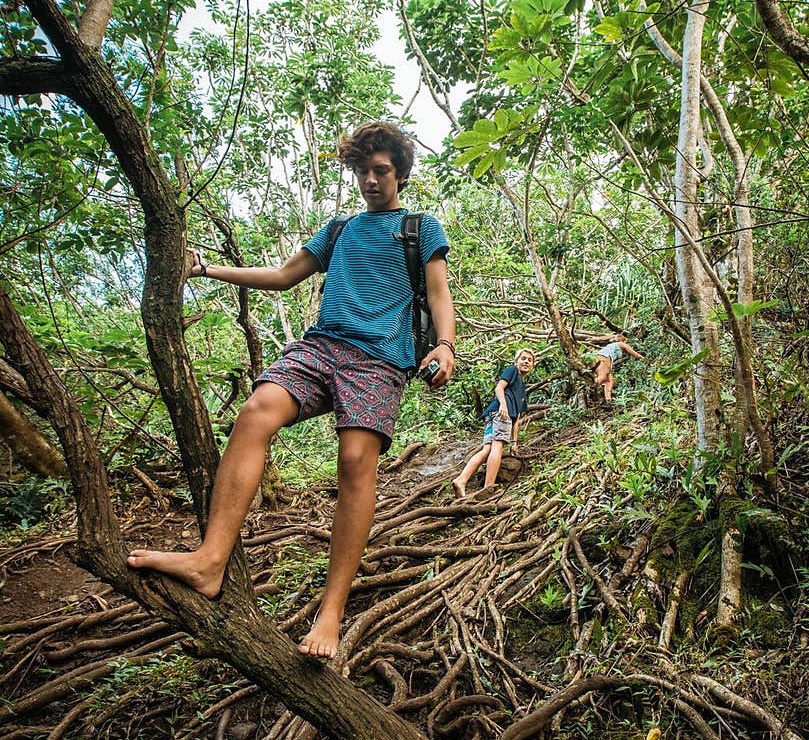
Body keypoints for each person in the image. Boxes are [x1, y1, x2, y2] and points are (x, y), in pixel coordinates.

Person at [127, 121, 455, 661]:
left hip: (379, 362)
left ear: (399, 173)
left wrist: (445, 346)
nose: (371, 181)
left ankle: (331, 612)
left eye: (382, 171)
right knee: (256, 412)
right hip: (322, 347)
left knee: (355, 461)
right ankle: (210, 560)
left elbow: (440, 295)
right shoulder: (340, 228)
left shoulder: (420, 228)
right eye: (363, 171)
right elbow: (283, 276)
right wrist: (207, 269)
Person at [452, 348, 535, 497]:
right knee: (498, 446)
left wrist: (514, 441)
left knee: (487, 450)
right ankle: (488, 487)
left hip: (494, 414)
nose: (526, 362)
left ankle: (461, 480)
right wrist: (503, 405)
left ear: (532, 365)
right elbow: (499, 387)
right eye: (523, 358)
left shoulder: (522, 389)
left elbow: (518, 419)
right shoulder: (512, 371)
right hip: (501, 413)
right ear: (516, 361)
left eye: (529, 360)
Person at [593, 334, 643, 403]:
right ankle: (591, 386)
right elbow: (634, 353)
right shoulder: (621, 344)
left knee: (610, 380)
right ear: (623, 340)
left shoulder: (612, 346)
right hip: (604, 358)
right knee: (602, 377)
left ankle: (608, 399)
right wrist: (642, 358)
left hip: (602, 358)